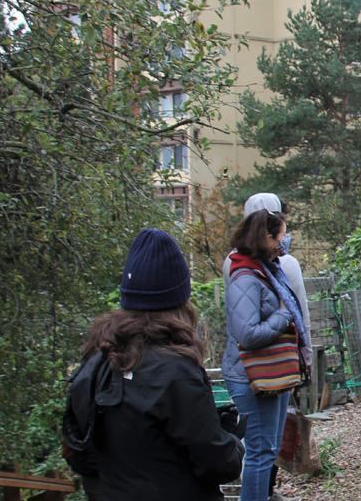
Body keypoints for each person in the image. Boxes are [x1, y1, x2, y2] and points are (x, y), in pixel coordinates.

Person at [64, 228, 243, 500]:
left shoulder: (96, 361)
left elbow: (78, 454)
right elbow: (219, 463)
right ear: (180, 299)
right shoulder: (176, 371)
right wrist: (232, 437)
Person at [223, 210, 309, 501]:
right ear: (266, 237)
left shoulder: (266, 269)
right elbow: (247, 334)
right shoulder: (245, 276)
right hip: (252, 377)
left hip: (273, 373)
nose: (286, 240)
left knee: (268, 450)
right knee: (260, 452)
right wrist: (285, 315)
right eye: (282, 234)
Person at [223, 193, 312, 369]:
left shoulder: (231, 261)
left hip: (240, 359)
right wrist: (306, 355)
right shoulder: (285, 263)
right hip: (278, 360)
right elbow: (300, 310)